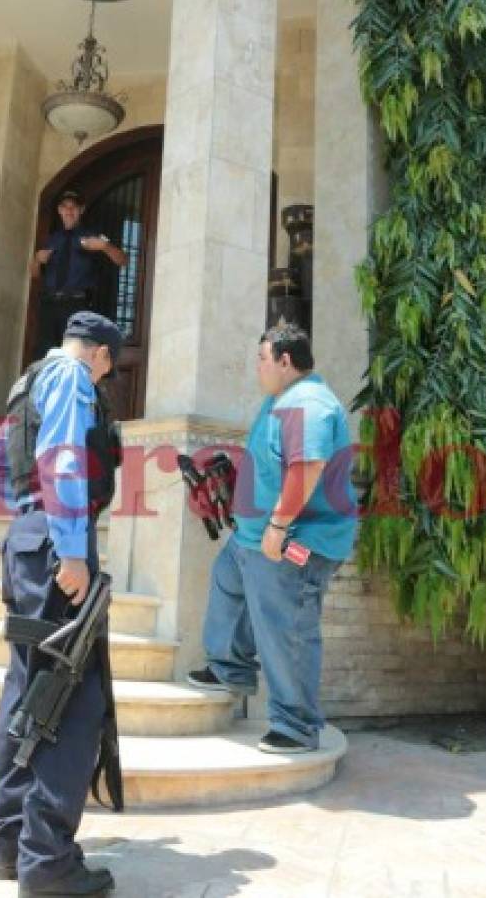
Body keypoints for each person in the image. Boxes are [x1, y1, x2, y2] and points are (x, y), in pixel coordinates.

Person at [0, 311, 123, 898]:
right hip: (55, 550)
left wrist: (28, 512)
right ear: (103, 355)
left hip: (25, 542)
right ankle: (49, 864)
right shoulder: (71, 377)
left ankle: (11, 844)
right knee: (70, 702)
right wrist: (67, 546)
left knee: (28, 693)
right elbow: (64, 457)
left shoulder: (29, 380)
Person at [187, 323, 357, 754]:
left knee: (288, 628)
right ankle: (231, 667)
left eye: (262, 358)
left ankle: (297, 726)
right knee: (229, 583)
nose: (257, 367)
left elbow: (307, 467)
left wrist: (278, 526)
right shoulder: (277, 401)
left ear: (285, 361)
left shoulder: (309, 403)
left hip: (294, 540)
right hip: (252, 537)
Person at [30, 190, 127, 357]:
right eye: (65, 207)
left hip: (76, 305)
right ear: (59, 210)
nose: (69, 211)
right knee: (45, 357)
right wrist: (37, 260)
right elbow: (35, 276)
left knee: (73, 357)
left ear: (81, 210)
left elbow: (122, 260)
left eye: (73, 207)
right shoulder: (51, 239)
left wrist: (104, 247)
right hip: (49, 305)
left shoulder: (93, 234)